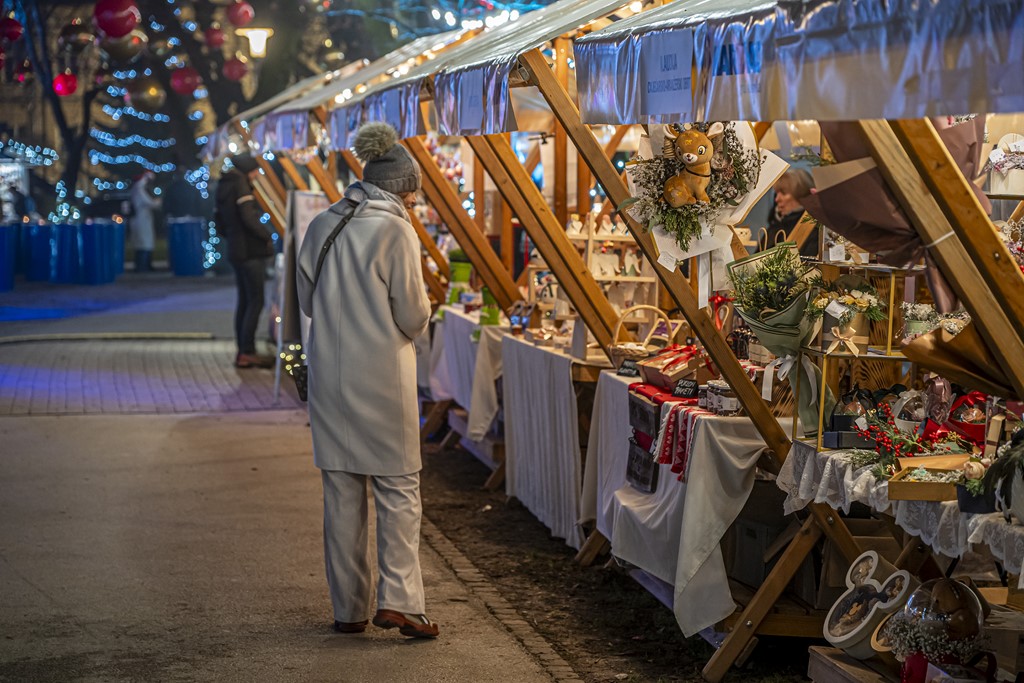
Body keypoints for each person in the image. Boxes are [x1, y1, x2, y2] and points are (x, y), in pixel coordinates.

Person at [296, 122, 435, 639]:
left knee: (341, 494)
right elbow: (413, 314)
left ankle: (349, 608)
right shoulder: (394, 229)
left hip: (331, 379)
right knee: (398, 488)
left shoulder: (323, 224)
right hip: (382, 379)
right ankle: (401, 601)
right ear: (402, 187)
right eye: (415, 191)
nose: (416, 201)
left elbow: (307, 303)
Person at [216, 154, 276, 369]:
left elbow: (219, 221)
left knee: (244, 300)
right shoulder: (241, 184)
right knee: (256, 300)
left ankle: (242, 349)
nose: (257, 174)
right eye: (255, 170)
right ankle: (247, 351)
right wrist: (266, 236)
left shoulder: (224, 184)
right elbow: (248, 217)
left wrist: (232, 236)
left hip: (235, 249)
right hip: (249, 250)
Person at [765, 168, 816, 257]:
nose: (777, 199)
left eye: (783, 193)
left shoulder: (814, 230)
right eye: (776, 193)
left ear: (800, 195)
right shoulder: (774, 227)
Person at [130, 171, 162, 272]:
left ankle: (146, 264)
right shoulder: (139, 189)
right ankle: (142, 266)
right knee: (143, 244)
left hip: (143, 219)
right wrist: (157, 202)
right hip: (141, 220)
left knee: (144, 243)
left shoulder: (138, 189)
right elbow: (149, 202)